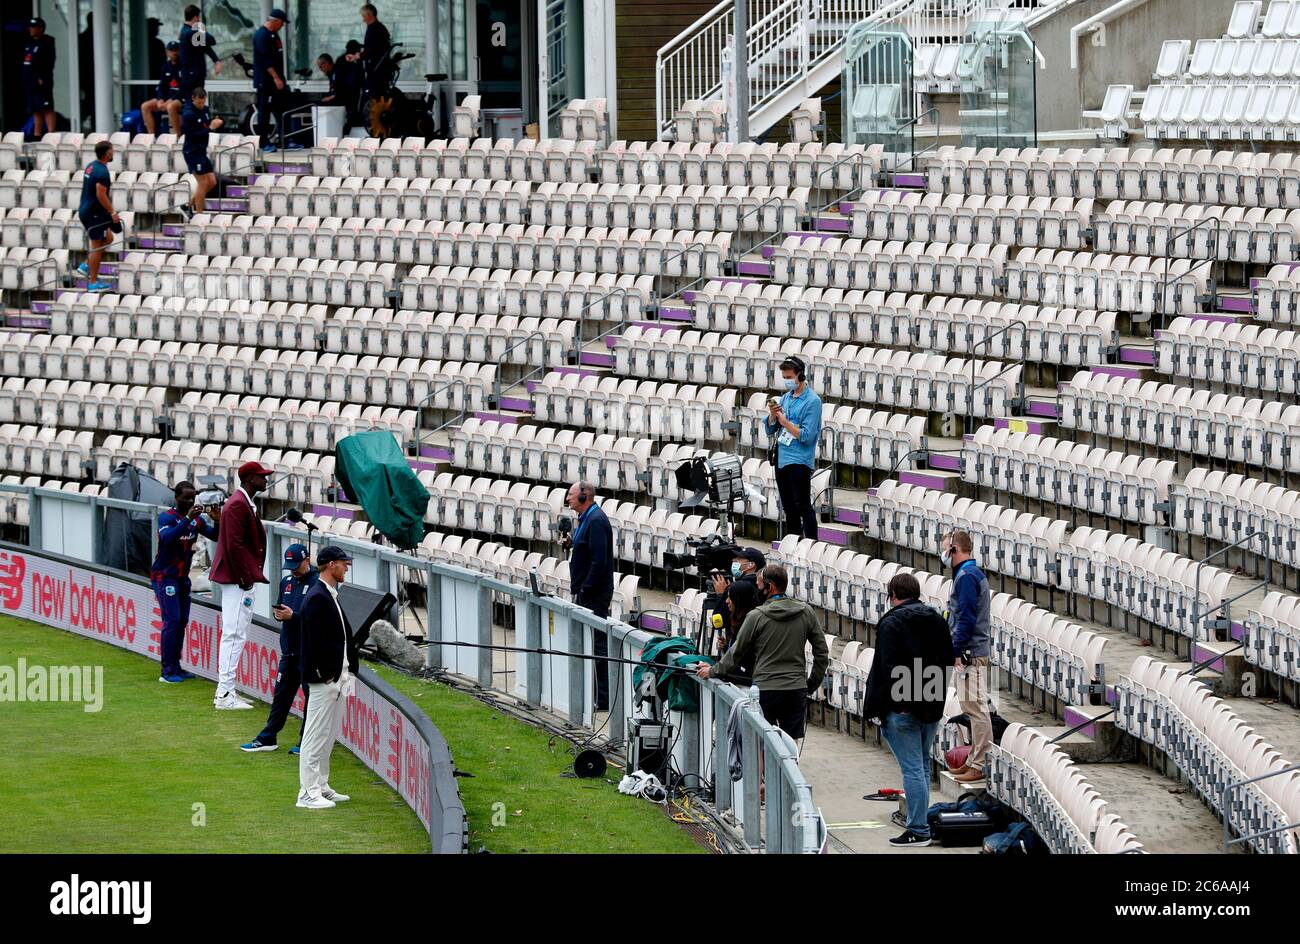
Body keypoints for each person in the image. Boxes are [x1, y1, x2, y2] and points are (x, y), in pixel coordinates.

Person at [864, 572, 953, 848]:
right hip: (931, 703)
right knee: (922, 765)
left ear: (893, 595)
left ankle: (918, 828)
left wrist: (901, 703)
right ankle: (920, 823)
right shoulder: (937, 618)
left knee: (914, 768)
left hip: (903, 707)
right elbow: (947, 659)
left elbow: (889, 667)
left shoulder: (891, 623)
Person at [695, 564, 828, 742]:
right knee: (789, 747)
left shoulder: (756, 616)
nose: (756, 589)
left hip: (765, 690)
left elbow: (736, 653)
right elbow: (822, 653)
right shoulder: (806, 612)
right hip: (795, 689)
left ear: (769, 586)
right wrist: (810, 684)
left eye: (758, 585)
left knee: (763, 744)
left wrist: (713, 671)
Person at [241, 543, 319, 754]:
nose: (293, 569)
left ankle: (307, 742)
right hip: (289, 650)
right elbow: (280, 607)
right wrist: (280, 614)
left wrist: (293, 617)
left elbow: (318, 620)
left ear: (307, 560)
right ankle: (268, 738)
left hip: (309, 653)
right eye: (290, 565)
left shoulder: (317, 584)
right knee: (281, 697)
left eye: (296, 565)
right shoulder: (286, 582)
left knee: (311, 699)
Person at [297, 545, 358, 809]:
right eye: (344, 563)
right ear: (331, 564)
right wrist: (325, 675)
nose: (347, 567)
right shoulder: (318, 597)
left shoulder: (328, 594)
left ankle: (321, 785)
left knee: (329, 735)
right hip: (326, 680)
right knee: (314, 735)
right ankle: (307, 793)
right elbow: (312, 642)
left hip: (338, 677)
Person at [209, 461, 273, 710]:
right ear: (250, 479)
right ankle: (225, 693)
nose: (266, 481)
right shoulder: (237, 503)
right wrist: (247, 578)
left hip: (239, 578)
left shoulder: (241, 501)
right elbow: (234, 545)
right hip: (238, 580)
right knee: (234, 634)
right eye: (262, 477)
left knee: (236, 633)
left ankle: (226, 691)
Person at [152, 481, 219, 683]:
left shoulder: (196, 521)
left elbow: (215, 536)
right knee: (171, 621)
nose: (190, 501)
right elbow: (167, 539)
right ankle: (166, 671)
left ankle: (176, 666)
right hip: (164, 577)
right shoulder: (167, 517)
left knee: (181, 622)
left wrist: (217, 520)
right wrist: (188, 519)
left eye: (192, 497)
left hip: (182, 578)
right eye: (186, 497)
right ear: (176, 497)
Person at [942, 529, 992, 784]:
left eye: (944, 548)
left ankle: (981, 762)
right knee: (970, 707)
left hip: (971, 652)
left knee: (976, 708)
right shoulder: (965, 574)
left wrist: (957, 650)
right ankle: (974, 759)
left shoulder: (966, 576)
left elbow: (967, 617)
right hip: (969, 651)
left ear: (954, 549)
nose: (942, 554)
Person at [563, 480, 614, 711]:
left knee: (598, 646)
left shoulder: (596, 520)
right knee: (590, 644)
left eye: (572, 495)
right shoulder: (586, 519)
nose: (568, 499)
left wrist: (585, 589)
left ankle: (602, 698)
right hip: (587, 592)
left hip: (594, 594)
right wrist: (571, 542)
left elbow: (599, 560)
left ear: (585, 497)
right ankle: (593, 693)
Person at [766, 354, 823, 540]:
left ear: (800, 375)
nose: (787, 381)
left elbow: (807, 435)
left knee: (803, 505)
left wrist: (785, 421)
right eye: (784, 378)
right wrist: (773, 416)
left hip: (799, 459)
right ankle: (793, 541)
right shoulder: (786, 398)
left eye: (789, 377)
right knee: (789, 506)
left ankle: (812, 542)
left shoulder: (812, 401)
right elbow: (770, 429)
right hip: (782, 458)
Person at [74, 140, 119, 292]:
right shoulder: (102, 172)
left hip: (88, 210)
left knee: (109, 238)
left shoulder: (91, 166)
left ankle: (87, 265)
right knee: (97, 247)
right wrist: (112, 212)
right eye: (112, 150)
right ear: (107, 153)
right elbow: (101, 195)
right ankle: (93, 282)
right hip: (93, 214)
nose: (113, 153)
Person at [702, 546, 764, 649]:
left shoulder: (737, 588)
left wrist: (721, 595)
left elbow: (718, 622)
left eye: (739, 559)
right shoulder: (763, 585)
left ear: (751, 565)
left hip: (740, 647)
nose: (733, 560)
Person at [180, 87, 223, 216]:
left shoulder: (205, 110)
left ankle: (188, 205)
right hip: (192, 151)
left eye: (203, 102)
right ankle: (199, 214)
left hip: (201, 151)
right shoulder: (188, 114)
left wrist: (217, 122)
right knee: (203, 182)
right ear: (193, 99)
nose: (201, 105)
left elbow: (207, 124)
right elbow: (193, 135)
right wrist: (210, 127)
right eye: (198, 102)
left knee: (212, 181)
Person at [252, 9, 290, 151]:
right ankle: (263, 142)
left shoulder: (274, 35)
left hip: (278, 79)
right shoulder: (261, 35)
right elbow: (265, 60)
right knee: (264, 110)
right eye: (281, 23)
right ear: (275, 21)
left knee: (282, 108)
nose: (282, 26)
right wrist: (275, 77)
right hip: (266, 80)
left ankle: (284, 139)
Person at [22, 17, 57, 141]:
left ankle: (52, 135)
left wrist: (42, 77)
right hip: (30, 81)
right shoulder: (29, 42)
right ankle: (37, 135)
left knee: (46, 108)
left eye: (34, 27)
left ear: (40, 28)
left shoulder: (47, 42)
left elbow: (48, 62)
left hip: (42, 82)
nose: (31, 29)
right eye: (30, 27)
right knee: (35, 109)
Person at [351, 4, 392, 108]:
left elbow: (372, 49)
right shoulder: (377, 28)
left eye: (364, 16)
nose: (363, 20)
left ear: (369, 15)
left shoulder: (376, 29)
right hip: (377, 69)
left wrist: (358, 56)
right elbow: (372, 47)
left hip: (378, 71)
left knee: (377, 97)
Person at [141, 41, 185, 136]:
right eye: (171, 50)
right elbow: (161, 86)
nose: (174, 53)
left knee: (170, 106)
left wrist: (171, 100)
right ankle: (151, 137)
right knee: (145, 106)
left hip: (181, 98)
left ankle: (177, 136)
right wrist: (160, 99)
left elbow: (185, 88)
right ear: (167, 52)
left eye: (176, 50)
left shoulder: (184, 66)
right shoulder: (166, 66)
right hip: (166, 99)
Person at [178, 5, 222, 99]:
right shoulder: (190, 32)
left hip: (193, 75)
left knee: (196, 102)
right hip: (192, 76)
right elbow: (211, 40)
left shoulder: (189, 32)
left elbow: (205, 47)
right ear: (195, 17)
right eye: (198, 17)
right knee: (193, 103)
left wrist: (216, 61)